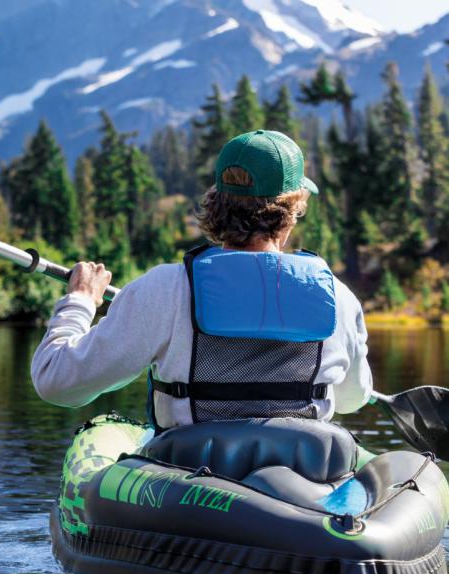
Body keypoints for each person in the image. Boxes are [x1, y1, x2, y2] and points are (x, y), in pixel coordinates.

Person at [30, 130, 371, 430]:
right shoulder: (337, 297)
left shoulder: (165, 288)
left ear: (216, 203)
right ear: (291, 215)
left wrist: (80, 301)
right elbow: (351, 399)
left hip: (194, 467)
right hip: (301, 471)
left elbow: (56, 382)